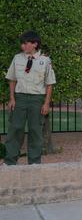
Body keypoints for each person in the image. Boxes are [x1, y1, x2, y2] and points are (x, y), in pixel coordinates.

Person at [4, 30, 56, 165]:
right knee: (15, 129)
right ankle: (10, 162)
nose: (23, 46)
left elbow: (49, 84)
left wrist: (46, 103)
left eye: (26, 43)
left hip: (37, 100)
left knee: (35, 131)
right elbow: (12, 80)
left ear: (34, 44)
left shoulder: (45, 61)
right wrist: (12, 98)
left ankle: (34, 163)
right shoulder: (17, 58)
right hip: (19, 98)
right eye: (22, 43)